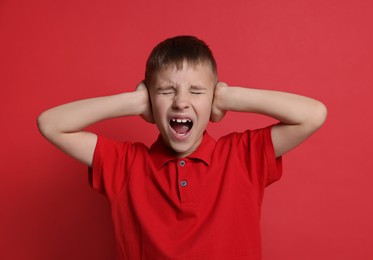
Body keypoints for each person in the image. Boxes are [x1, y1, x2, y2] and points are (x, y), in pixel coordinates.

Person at [37, 35, 327, 260]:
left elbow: (313, 114)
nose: (180, 101)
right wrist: (134, 102)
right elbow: (50, 123)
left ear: (211, 99)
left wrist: (228, 95)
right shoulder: (125, 164)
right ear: (151, 102)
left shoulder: (241, 156)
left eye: (197, 91)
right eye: (165, 91)